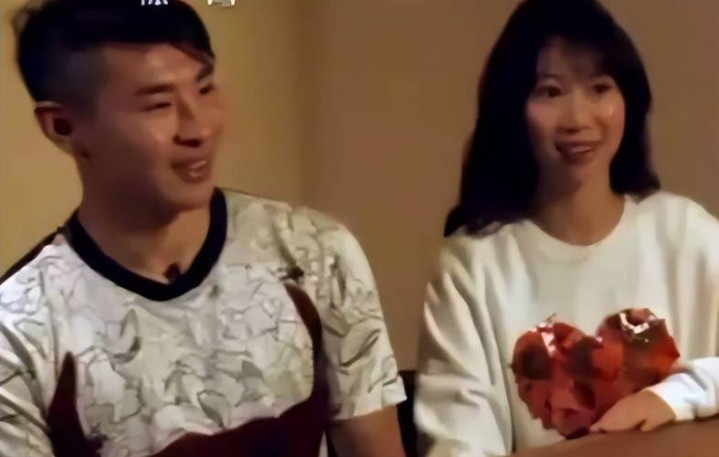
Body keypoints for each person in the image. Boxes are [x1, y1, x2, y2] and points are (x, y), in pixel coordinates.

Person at [0, 1, 406, 456]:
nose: (199, 128)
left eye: (205, 88)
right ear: (63, 126)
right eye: (158, 105)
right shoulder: (17, 333)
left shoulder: (312, 253)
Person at [414, 0, 719, 456]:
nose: (578, 119)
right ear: (512, 108)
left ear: (628, 101)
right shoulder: (472, 267)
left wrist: (677, 395)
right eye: (550, 92)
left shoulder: (686, 234)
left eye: (600, 88)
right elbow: (458, 446)